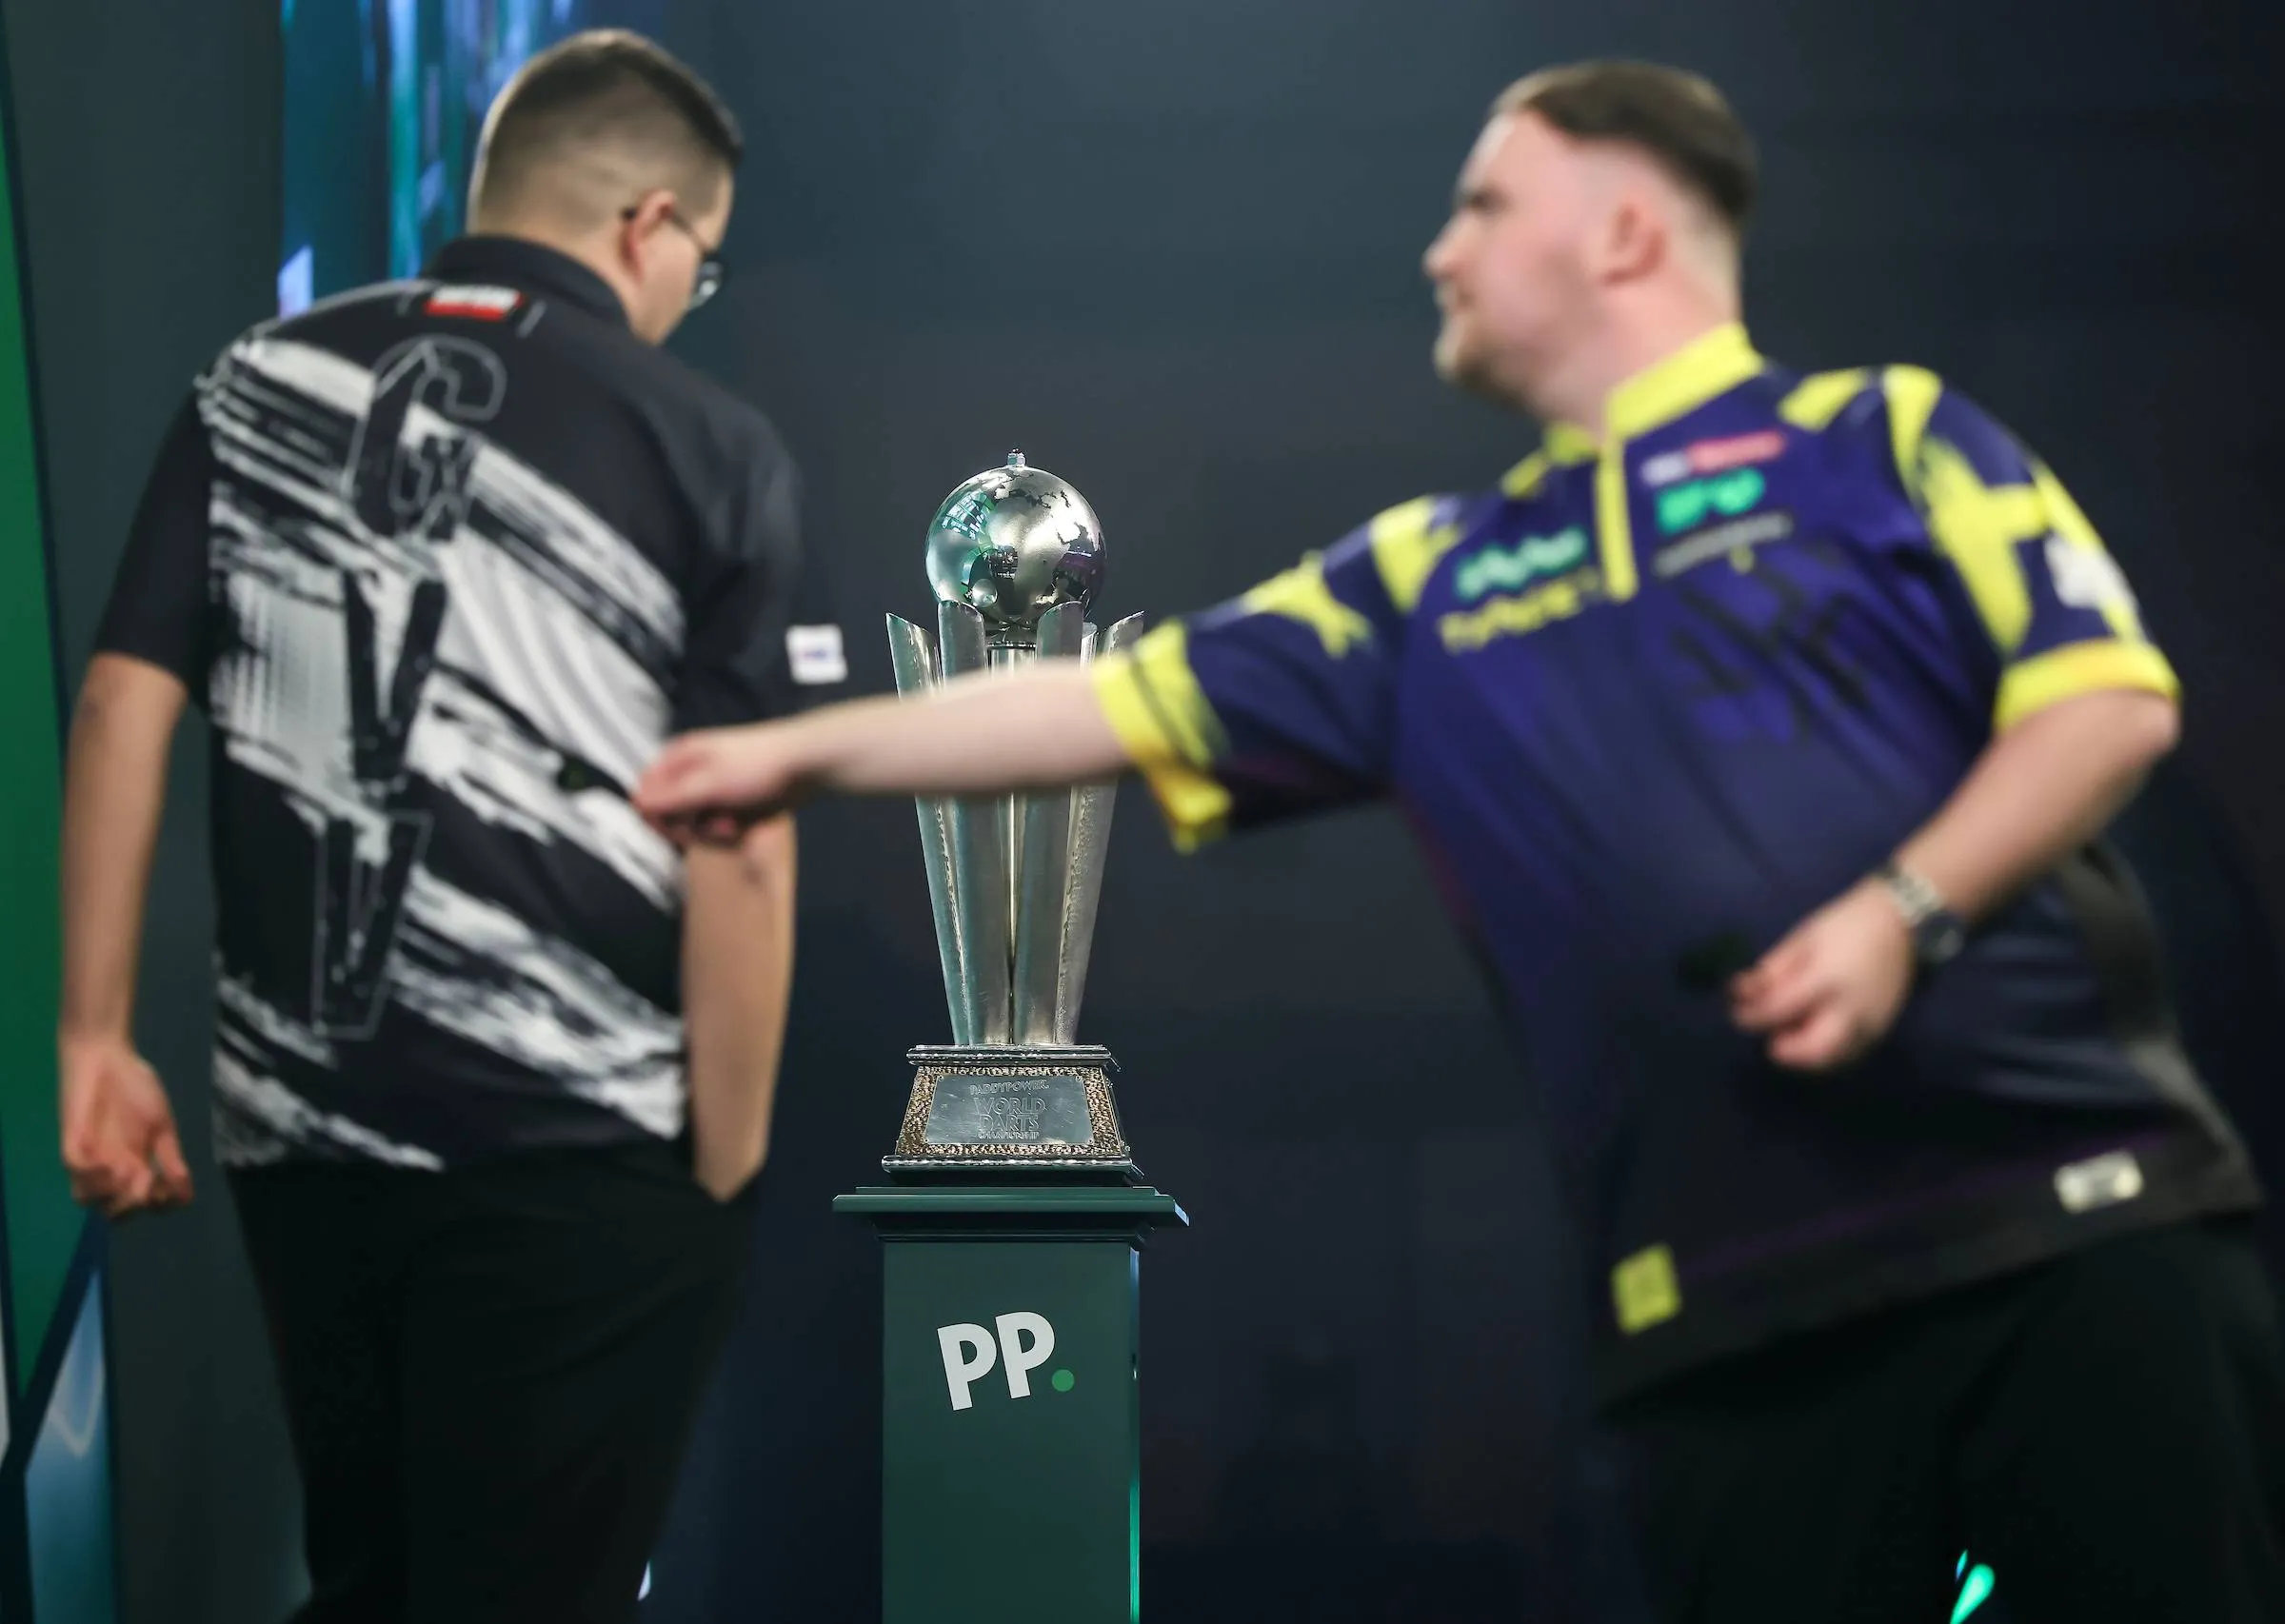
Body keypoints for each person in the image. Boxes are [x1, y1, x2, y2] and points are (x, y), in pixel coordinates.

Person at [634, 58, 2285, 1624]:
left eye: (1489, 205)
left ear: (1627, 229)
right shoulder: (1430, 575)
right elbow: (1100, 705)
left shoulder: (1888, 439)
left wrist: (1898, 913)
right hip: (1727, 1313)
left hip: (2077, 1230)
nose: (1440, 246)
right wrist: (792, 752)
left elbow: (2108, 703)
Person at [58, 30, 843, 1624]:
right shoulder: (704, 442)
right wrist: (732, 1162)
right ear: (649, 225)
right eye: (707, 253)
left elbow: (123, 702)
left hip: (308, 1123)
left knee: (377, 1570)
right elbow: (742, 833)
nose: (700, 289)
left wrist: (94, 1031)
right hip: (582, 1140)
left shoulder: (256, 382)